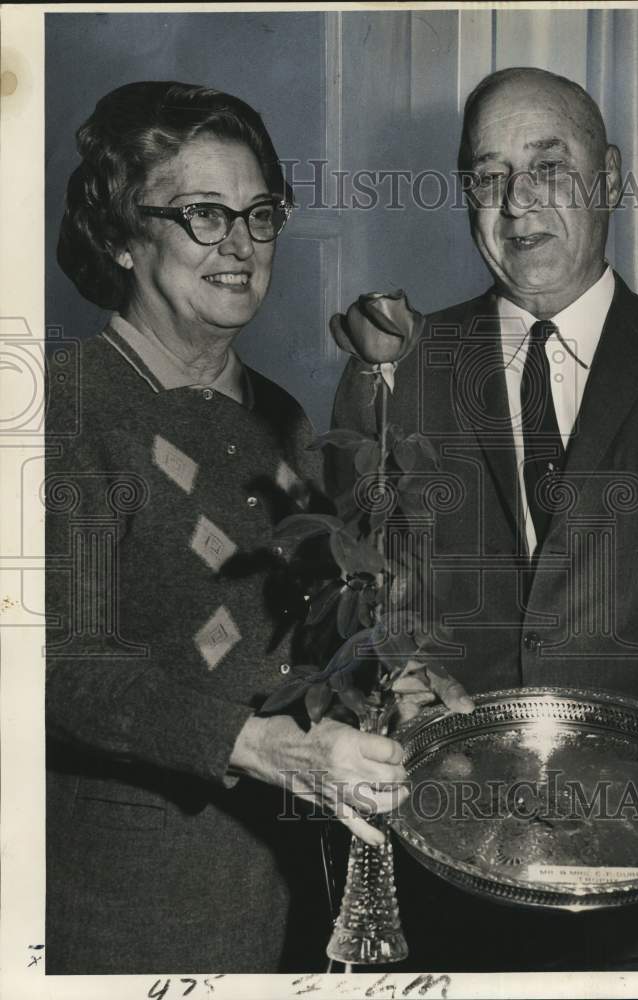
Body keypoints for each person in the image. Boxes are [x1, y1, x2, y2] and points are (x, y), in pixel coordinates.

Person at [330, 67, 638, 970]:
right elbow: (350, 581)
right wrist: (389, 668)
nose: (517, 205)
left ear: (610, 178)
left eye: (548, 167)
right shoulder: (397, 368)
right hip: (441, 867)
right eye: (488, 176)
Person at [45, 80, 438, 975]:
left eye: (260, 215)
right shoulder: (60, 409)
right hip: (121, 914)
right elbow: (53, 666)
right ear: (117, 234)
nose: (240, 245)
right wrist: (261, 745)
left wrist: (381, 679)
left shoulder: (284, 419)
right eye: (202, 215)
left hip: (294, 897)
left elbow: (290, 637)